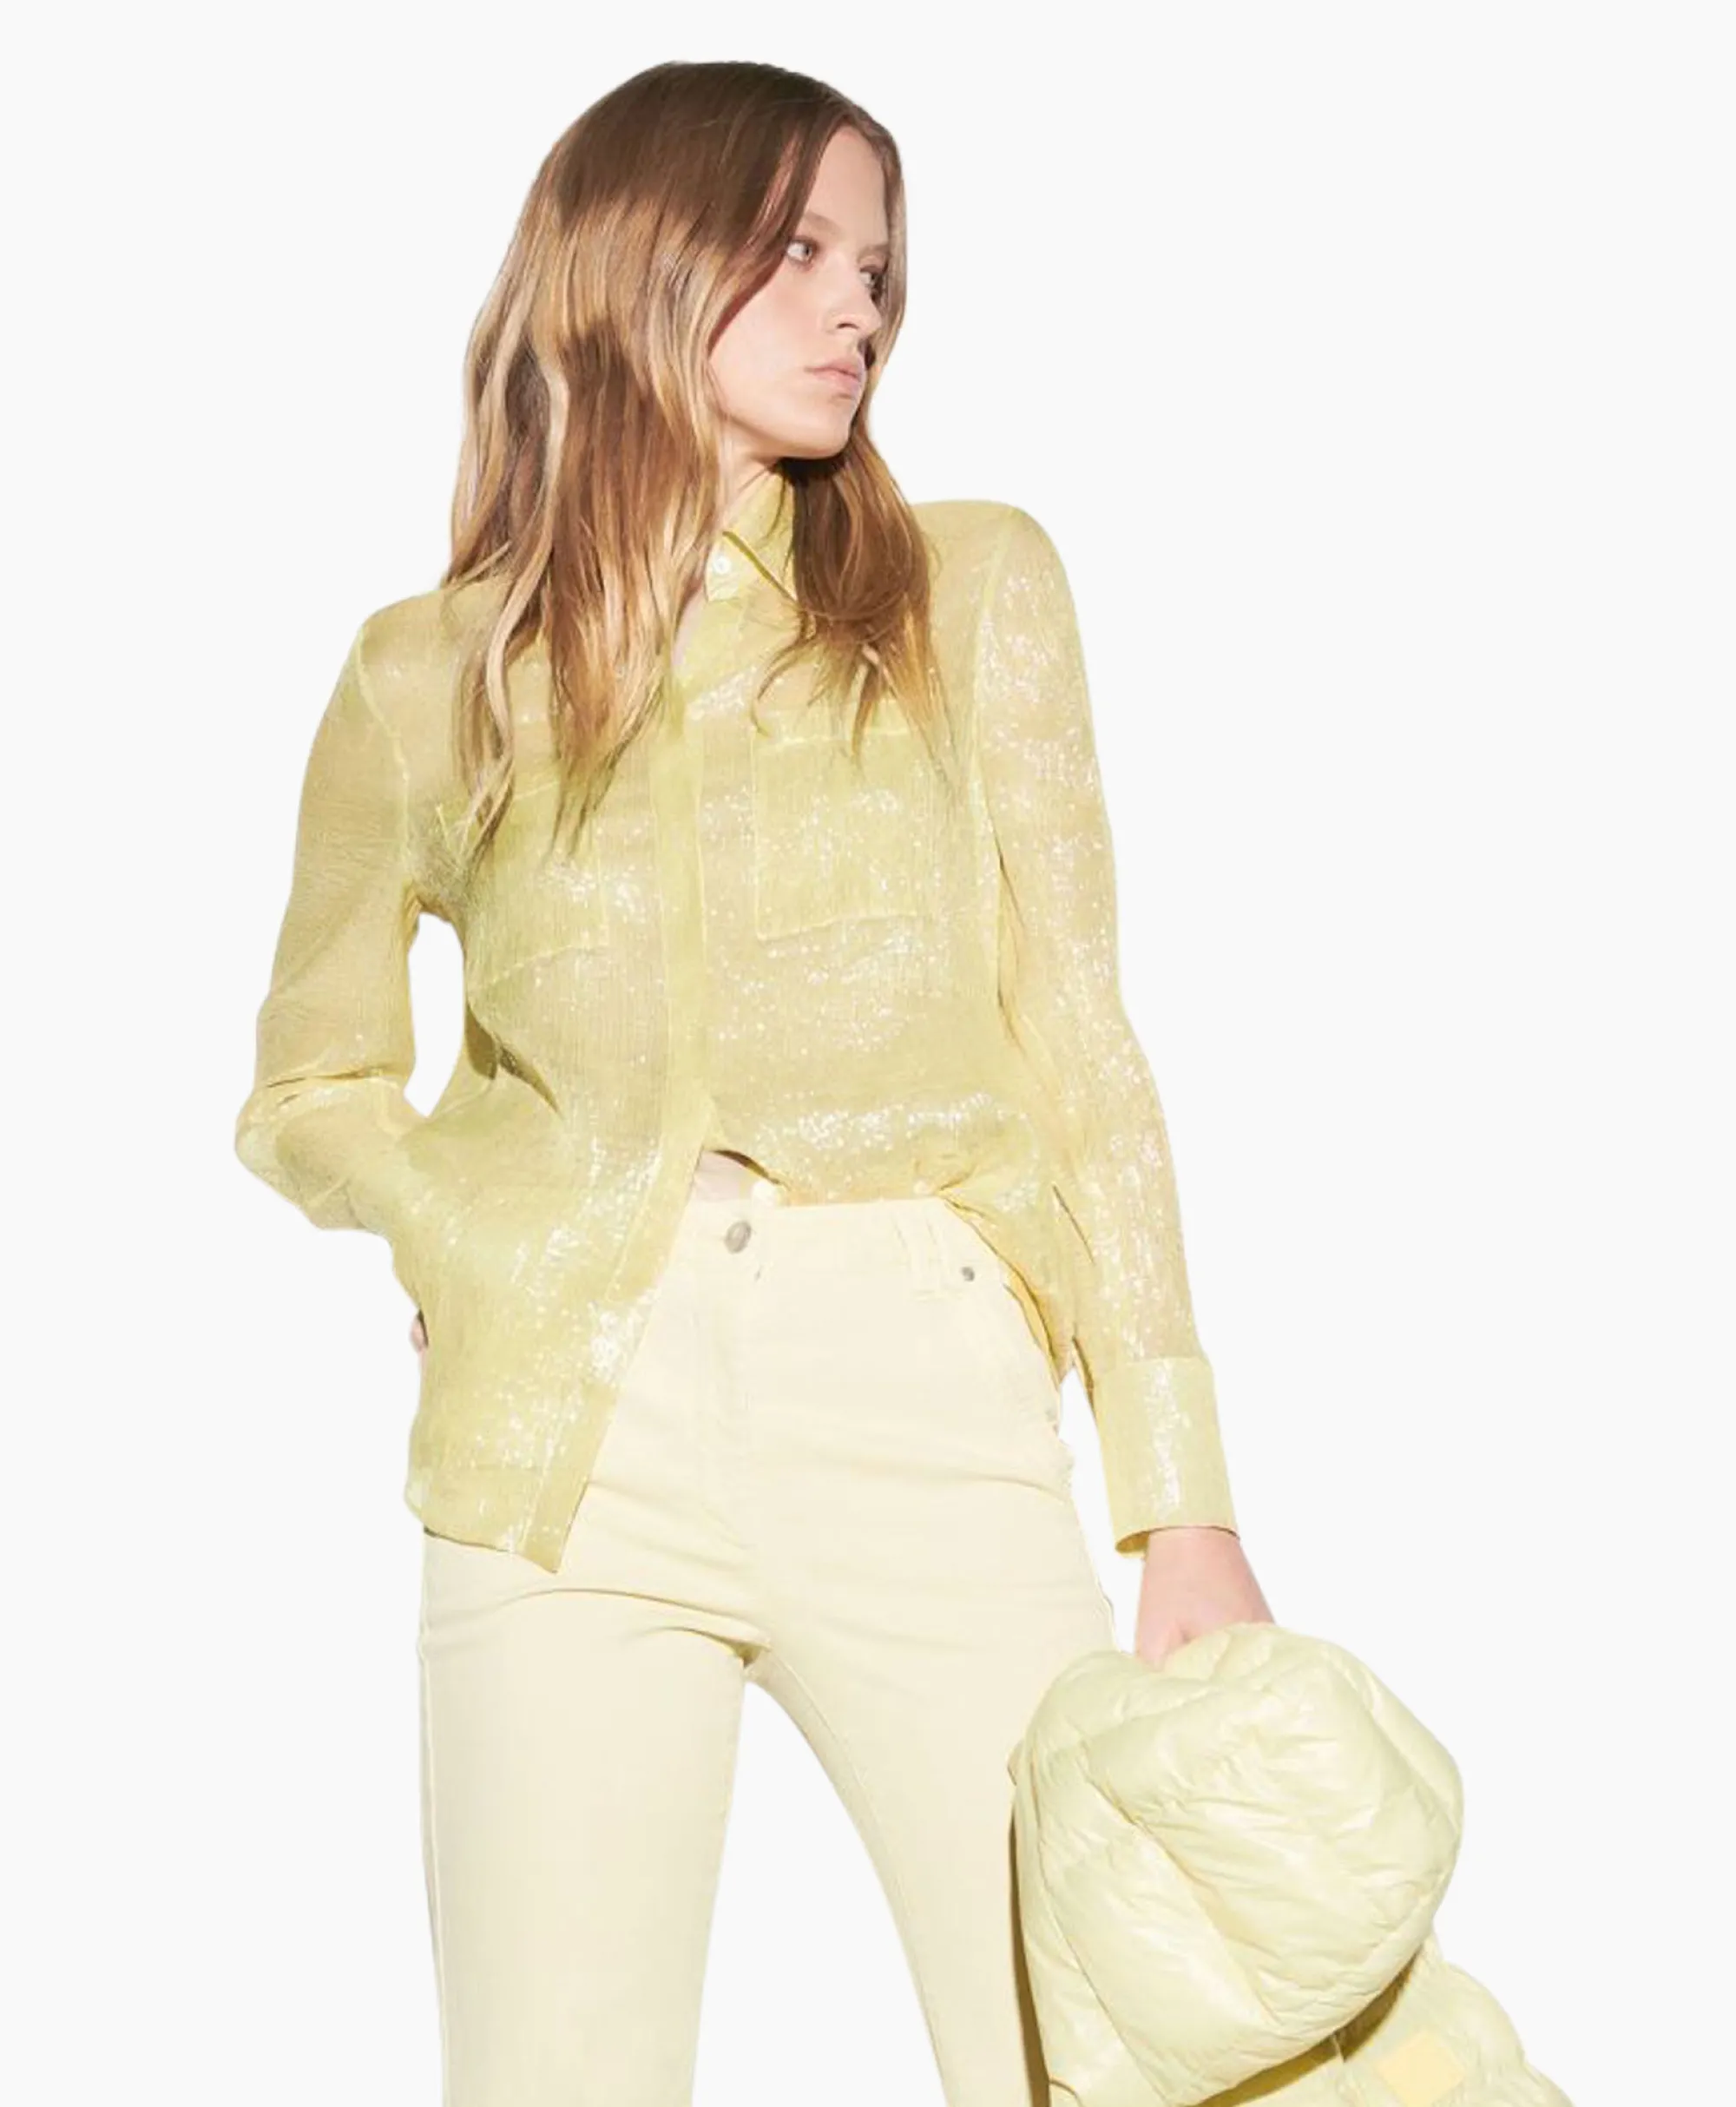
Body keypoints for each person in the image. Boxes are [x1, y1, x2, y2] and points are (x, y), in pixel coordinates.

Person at [234, 58, 1273, 2107]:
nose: (855, 303)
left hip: (921, 1384)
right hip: (564, 1442)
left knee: (1105, 2058)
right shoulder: (428, 674)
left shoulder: (969, 592)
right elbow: (310, 1081)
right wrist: (471, 1228)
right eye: (797, 249)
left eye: (875, 265)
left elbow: (1082, 1038)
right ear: (636, 258)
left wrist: (1183, 1498)